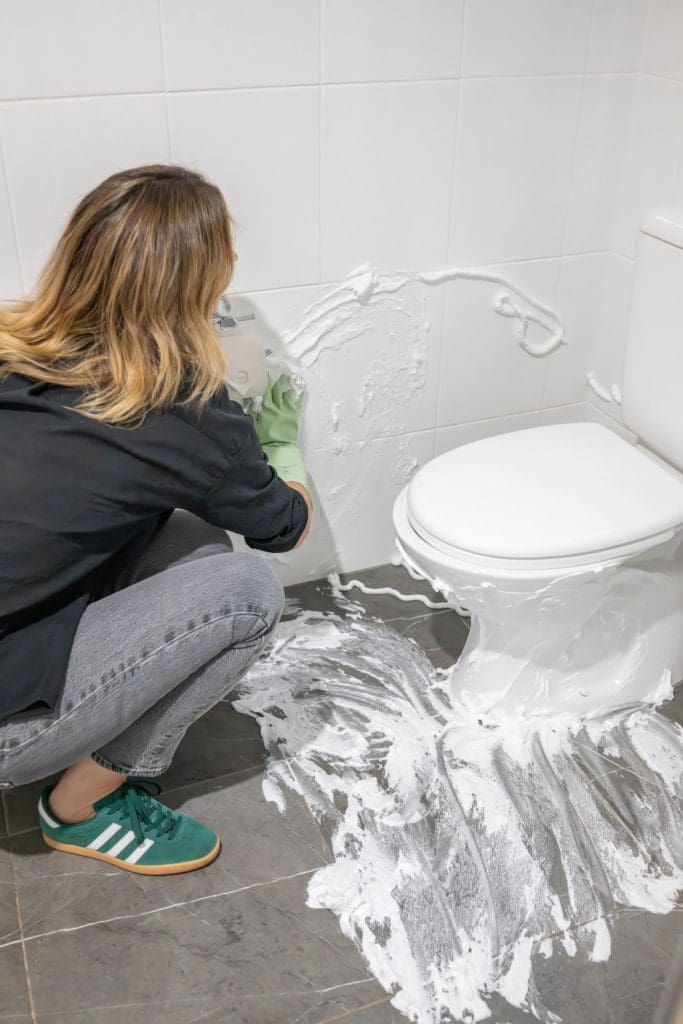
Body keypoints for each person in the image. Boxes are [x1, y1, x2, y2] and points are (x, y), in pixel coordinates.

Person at [0, 164, 312, 875]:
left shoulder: (16, 347)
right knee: (248, 593)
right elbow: (283, 528)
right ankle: (79, 807)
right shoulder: (182, 408)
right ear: (199, 280)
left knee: (192, 541)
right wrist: (280, 446)